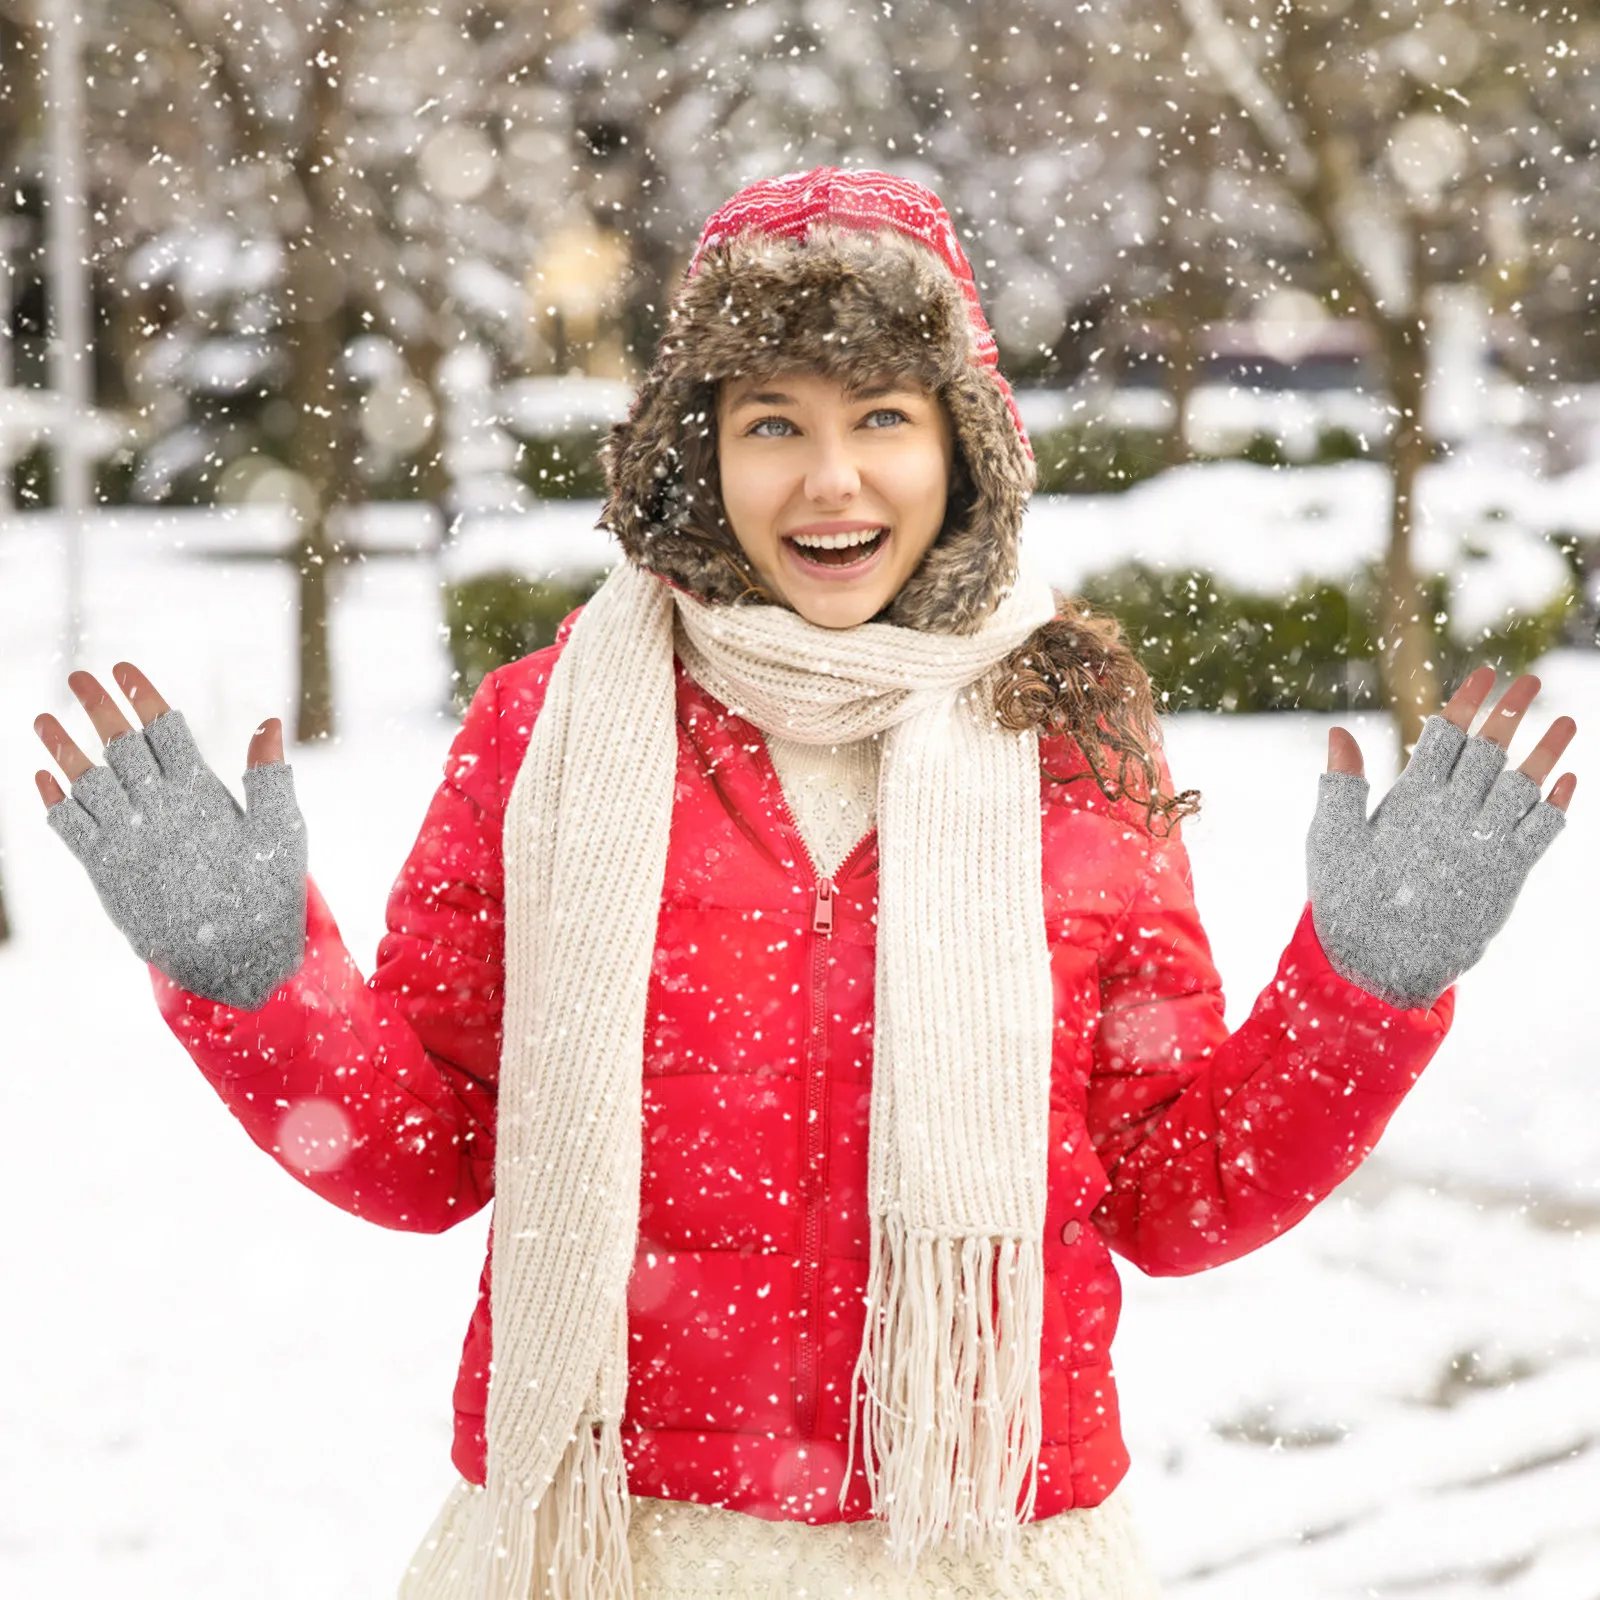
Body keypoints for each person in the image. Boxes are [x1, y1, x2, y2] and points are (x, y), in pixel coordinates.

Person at [32, 167, 1578, 1600]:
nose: (832, 480)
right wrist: (252, 977)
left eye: (884, 417)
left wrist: (1367, 990)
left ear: (959, 442)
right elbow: (429, 1152)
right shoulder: (549, 730)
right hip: (610, 1544)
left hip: (982, 1548)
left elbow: (1173, 1193)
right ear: (700, 452)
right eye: (772, 420)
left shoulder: (1068, 732)